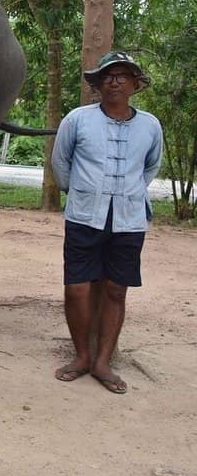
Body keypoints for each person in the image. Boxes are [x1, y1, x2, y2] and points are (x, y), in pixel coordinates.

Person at [51, 51, 163, 395]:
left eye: (123, 75)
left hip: (129, 221)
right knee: (77, 288)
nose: (115, 81)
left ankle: (102, 362)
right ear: (98, 84)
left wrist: (126, 192)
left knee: (116, 289)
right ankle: (81, 356)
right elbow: (61, 161)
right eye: (108, 76)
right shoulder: (78, 119)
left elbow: (150, 167)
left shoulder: (150, 125)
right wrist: (83, 192)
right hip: (85, 217)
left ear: (134, 84)